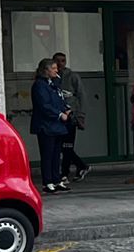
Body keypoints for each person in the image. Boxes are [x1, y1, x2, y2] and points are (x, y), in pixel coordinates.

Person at [28, 58, 71, 193]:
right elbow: (44, 105)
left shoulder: (53, 84)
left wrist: (66, 109)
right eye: (53, 68)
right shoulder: (39, 85)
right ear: (46, 70)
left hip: (57, 125)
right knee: (47, 154)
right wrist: (59, 114)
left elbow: (59, 98)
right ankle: (48, 182)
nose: (56, 70)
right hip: (46, 125)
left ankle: (56, 179)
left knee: (56, 154)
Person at [51, 52, 90, 181]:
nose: (60, 63)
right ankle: (80, 166)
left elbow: (81, 96)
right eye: (57, 61)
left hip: (71, 116)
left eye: (63, 61)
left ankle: (65, 173)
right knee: (61, 146)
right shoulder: (52, 79)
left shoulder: (72, 77)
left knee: (67, 146)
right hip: (58, 116)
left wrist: (80, 116)